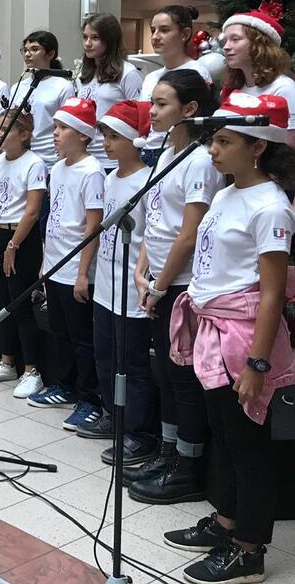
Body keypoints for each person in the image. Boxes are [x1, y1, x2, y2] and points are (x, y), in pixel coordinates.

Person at [162, 93, 295, 584]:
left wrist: (257, 364)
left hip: (242, 340)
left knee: (248, 446)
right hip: (213, 332)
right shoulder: (225, 193)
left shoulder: (271, 207)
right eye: (212, 140)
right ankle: (226, 522)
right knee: (223, 435)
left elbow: (272, 293)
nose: (212, 150)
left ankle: (249, 551)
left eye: (223, 141)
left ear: (257, 147)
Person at [128, 70, 223, 505]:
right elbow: (155, 221)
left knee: (182, 376)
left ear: (190, 109)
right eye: (153, 101)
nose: (152, 110)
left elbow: (189, 234)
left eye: (162, 103)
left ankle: (188, 466)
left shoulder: (200, 160)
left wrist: (161, 286)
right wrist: (142, 271)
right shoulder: (167, 151)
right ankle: (167, 452)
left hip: (181, 285)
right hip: (158, 280)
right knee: (163, 373)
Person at [87, 100, 157, 465]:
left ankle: (138, 433)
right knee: (105, 355)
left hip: (131, 288)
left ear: (135, 140)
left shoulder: (147, 181)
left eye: (115, 137)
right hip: (105, 285)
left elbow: (149, 236)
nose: (107, 144)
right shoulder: (110, 178)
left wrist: (142, 278)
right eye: (105, 136)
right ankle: (112, 415)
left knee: (132, 364)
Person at [29, 98, 105, 433]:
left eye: (63, 128)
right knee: (60, 331)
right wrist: (46, 263)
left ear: (84, 135)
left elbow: (93, 227)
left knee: (81, 337)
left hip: (77, 269)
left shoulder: (92, 172)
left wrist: (82, 273)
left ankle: (90, 399)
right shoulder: (58, 169)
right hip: (56, 265)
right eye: (55, 127)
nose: (55, 134)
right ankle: (66, 385)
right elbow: (54, 220)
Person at [0, 110, 48, 387]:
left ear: (24, 134)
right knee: (3, 303)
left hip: (21, 239)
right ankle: (6, 362)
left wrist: (13, 245)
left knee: (20, 304)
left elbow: (32, 211)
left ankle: (32, 370)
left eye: (6, 128)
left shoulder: (34, 164)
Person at [139, 5, 213, 164]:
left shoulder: (197, 72)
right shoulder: (151, 77)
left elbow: (199, 120)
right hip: (149, 150)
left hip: (178, 150)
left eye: (164, 30)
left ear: (184, 34)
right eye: (153, 30)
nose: (155, 37)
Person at [220, 2, 295, 148]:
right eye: (225, 41)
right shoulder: (232, 87)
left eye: (235, 39)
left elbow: (290, 145)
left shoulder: (284, 88)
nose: (226, 47)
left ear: (259, 44)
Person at [75, 14, 144, 171]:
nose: (87, 43)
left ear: (110, 40)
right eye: (85, 37)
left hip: (113, 160)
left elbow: (139, 116)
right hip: (87, 156)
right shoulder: (84, 75)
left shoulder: (128, 73)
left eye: (95, 38)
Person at [8, 31, 73, 173]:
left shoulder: (63, 86)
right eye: (25, 50)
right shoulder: (18, 87)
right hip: (21, 157)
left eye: (34, 49)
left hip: (49, 159)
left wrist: (62, 162)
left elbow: (67, 126)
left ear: (50, 54)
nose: (27, 54)